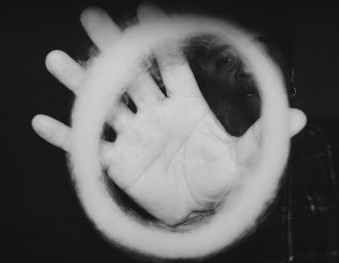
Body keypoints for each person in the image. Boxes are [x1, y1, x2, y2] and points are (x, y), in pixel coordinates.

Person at [31, 3, 339, 262]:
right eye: (226, 59)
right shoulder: (173, 170)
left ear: (291, 74)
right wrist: (194, 224)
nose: (246, 69)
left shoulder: (332, 144)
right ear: (208, 79)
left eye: (262, 56)